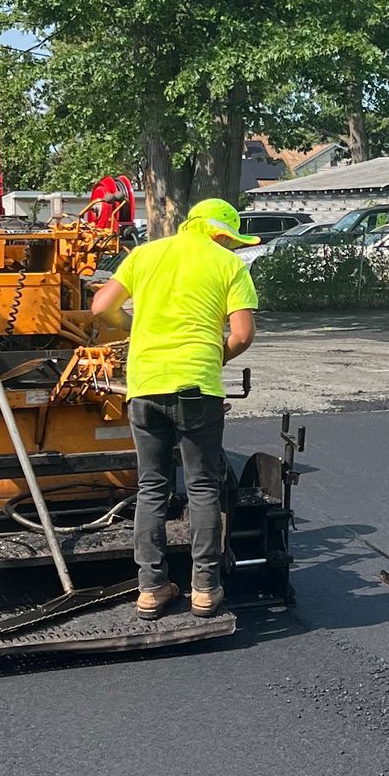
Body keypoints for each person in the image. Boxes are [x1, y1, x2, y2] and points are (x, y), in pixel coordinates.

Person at [92, 196, 259, 619]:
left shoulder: (144, 254)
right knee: (202, 487)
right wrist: (212, 356)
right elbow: (242, 334)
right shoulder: (228, 266)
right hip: (196, 390)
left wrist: (135, 326)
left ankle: (151, 589)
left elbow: (100, 307)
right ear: (219, 234)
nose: (234, 248)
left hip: (145, 386)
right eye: (232, 241)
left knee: (152, 488)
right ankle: (204, 588)